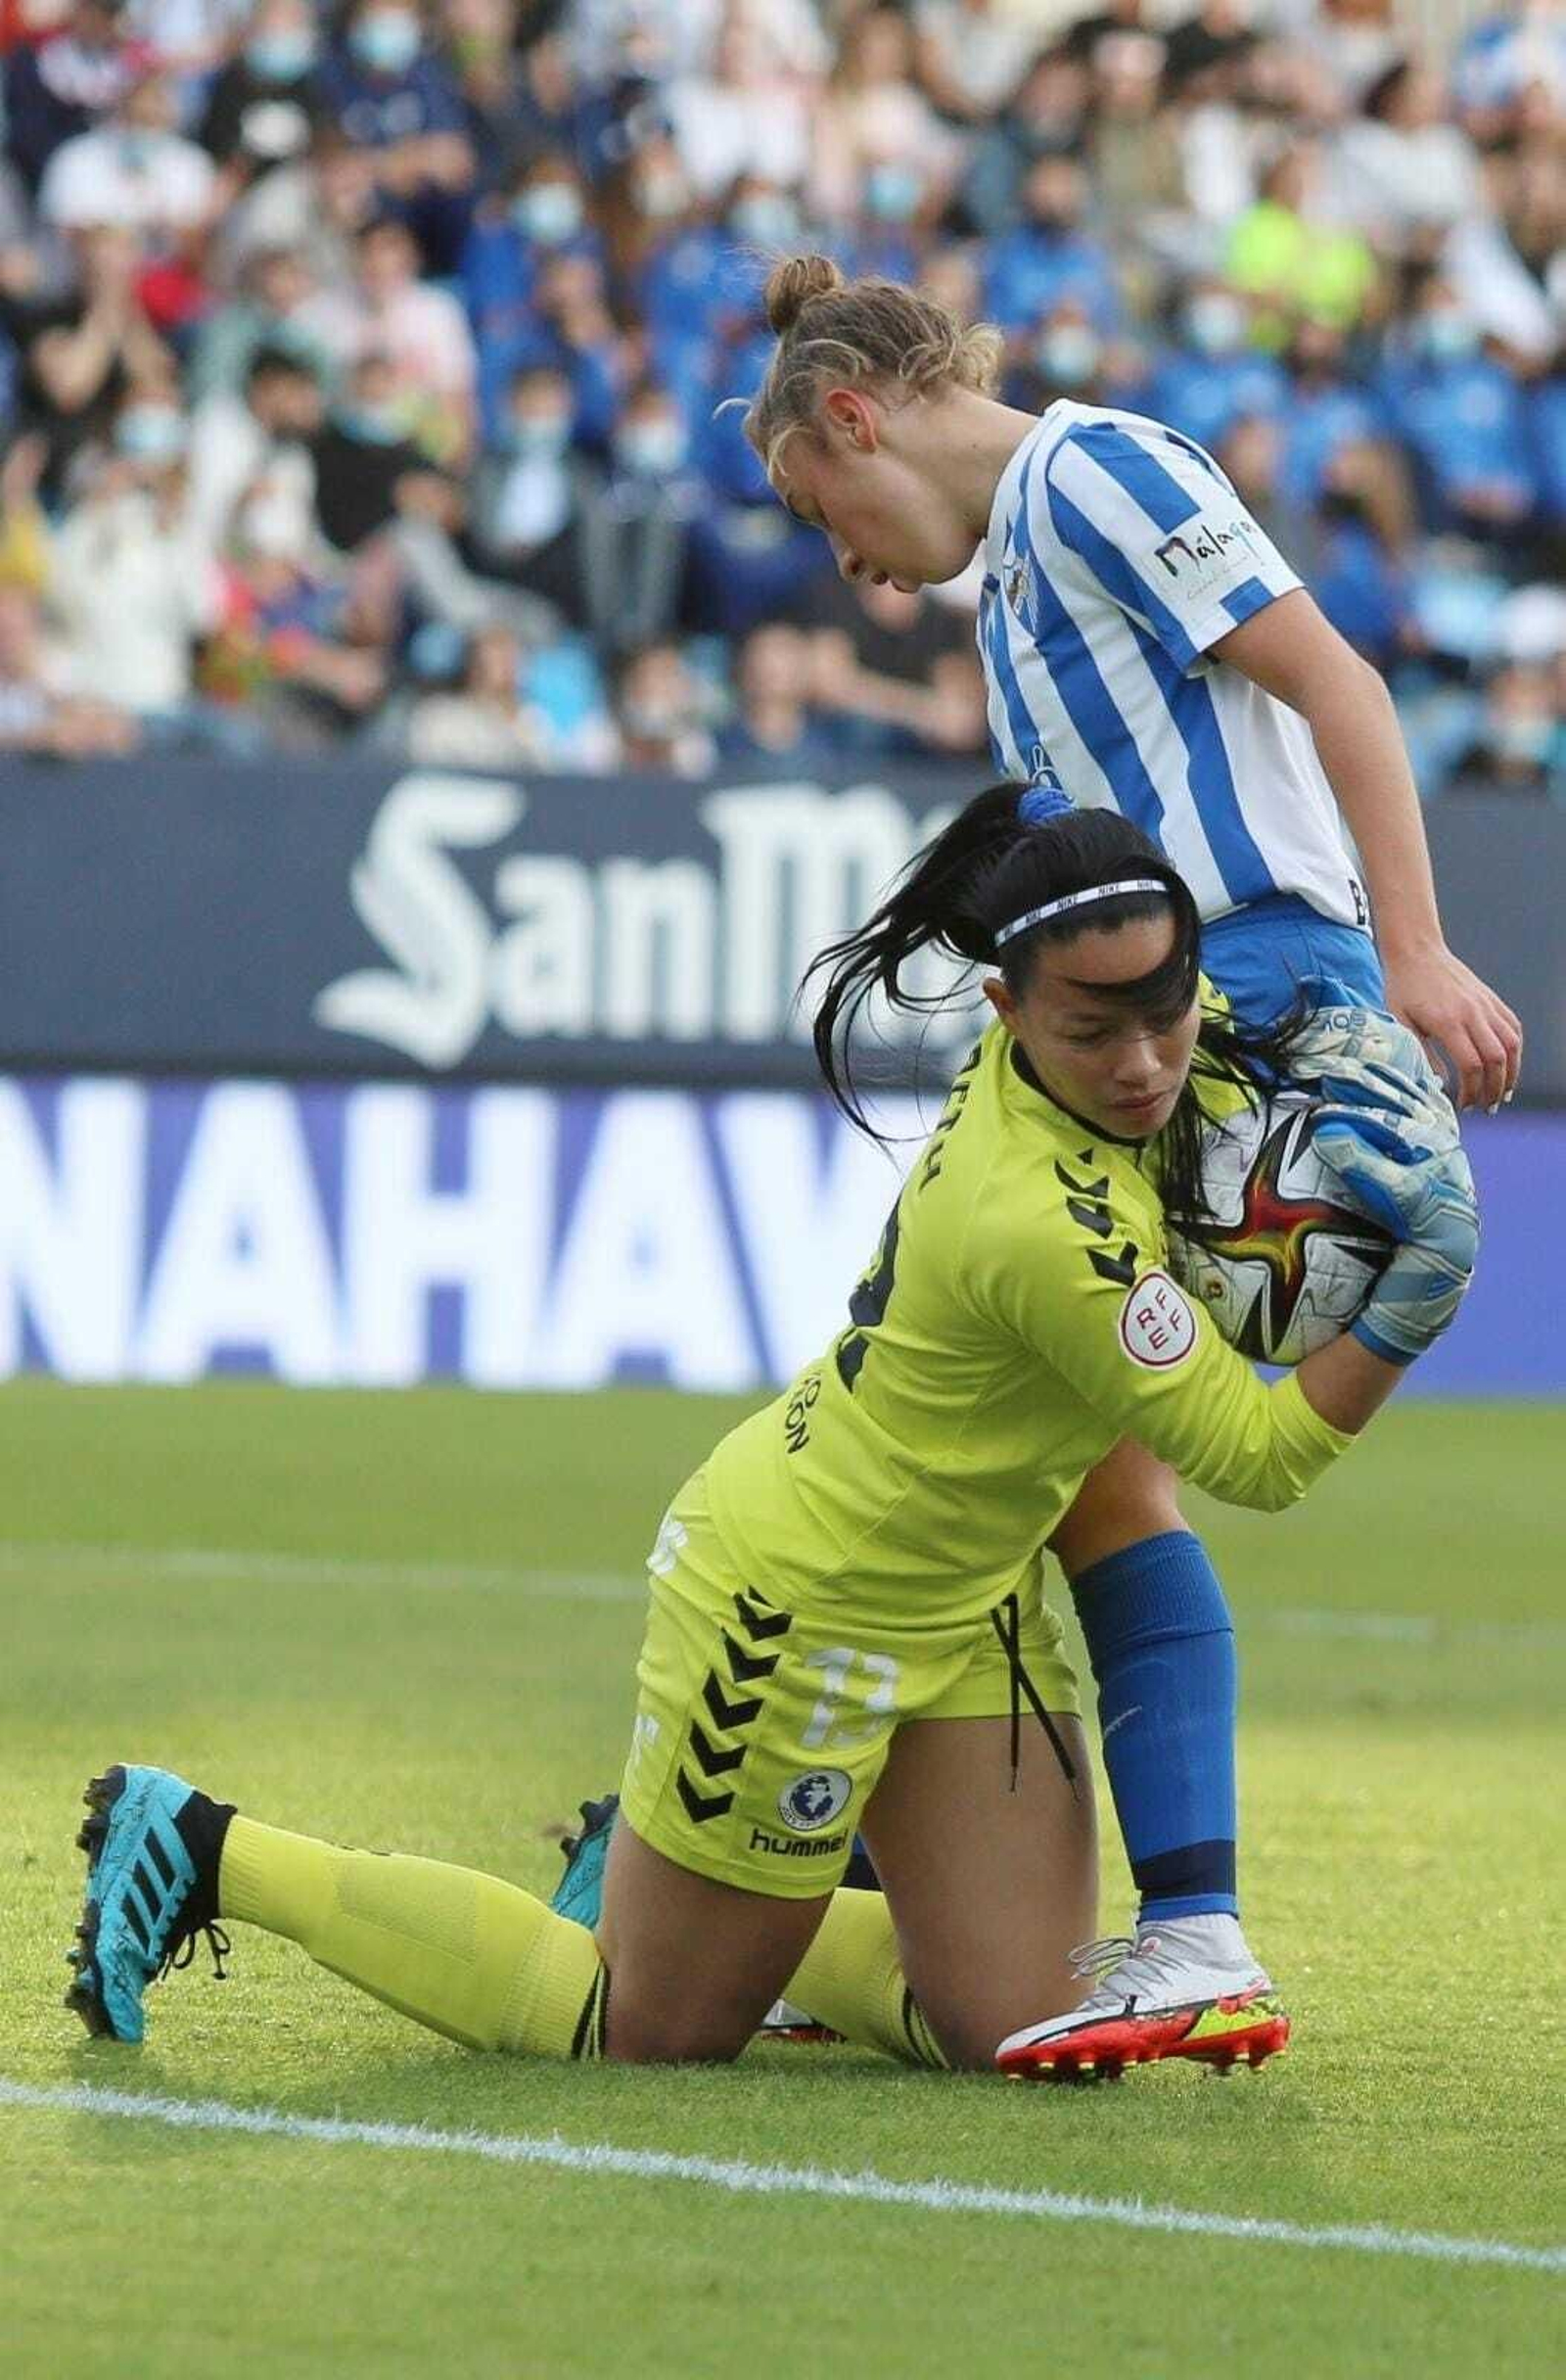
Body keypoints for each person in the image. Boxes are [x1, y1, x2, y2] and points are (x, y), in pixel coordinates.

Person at [64, 797, 1477, 2073]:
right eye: (1090, 1032)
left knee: (1008, 2028)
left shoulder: (1148, 1026)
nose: (1144, 1064)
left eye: (1169, 1014)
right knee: (647, 2030)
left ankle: (702, 1882)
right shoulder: (1037, 1225)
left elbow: (1189, 948)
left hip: (971, 1606)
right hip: (798, 1599)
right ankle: (199, 1846)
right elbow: (1259, 1458)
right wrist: (1419, 1293)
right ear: (1003, 1008)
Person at [740, 253, 1520, 2058]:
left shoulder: (1101, 474)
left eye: (818, 505)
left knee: (1022, 1455)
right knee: (1026, 1459)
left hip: (1232, 997)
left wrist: (1408, 956)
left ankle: (1156, 1921)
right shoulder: (1015, 569)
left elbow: (1341, 690)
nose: (842, 560)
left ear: (855, 418)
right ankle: (986, 1909)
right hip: (1167, 1014)